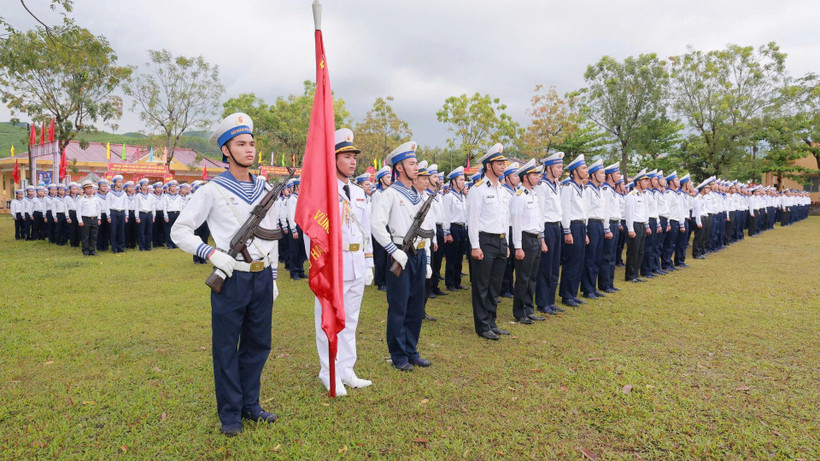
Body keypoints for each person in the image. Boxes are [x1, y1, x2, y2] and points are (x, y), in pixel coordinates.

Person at [171, 112, 280, 436]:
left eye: (251, 143)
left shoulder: (266, 188)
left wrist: (272, 279)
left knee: (259, 344)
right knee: (226, 347)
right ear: (226, 151)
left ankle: (251, 404)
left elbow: (272, 233)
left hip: (260, 277)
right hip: (230, 278)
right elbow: (180, 231)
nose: (249, 149)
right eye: (240, 144)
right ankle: (231, 414)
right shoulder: (211, 190)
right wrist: (211, 252)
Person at [314, 128, 374, 395]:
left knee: (350, 321)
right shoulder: (323, 192)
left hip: (356, 264)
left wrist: (369, 262)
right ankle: (329, 372)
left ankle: (347, 370)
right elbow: (313, 234)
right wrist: (319, 265)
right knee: (328, 322)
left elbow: (366, 229)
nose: (352, 161)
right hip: (333, 267)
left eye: (354, 156)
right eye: (346, 156)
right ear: (333, 158)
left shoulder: (359, 192)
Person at [370, 140, 432, 370]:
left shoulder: (420, 196)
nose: (416, 168)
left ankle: (412, 350)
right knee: (399, 307)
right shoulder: (389, 194)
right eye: (411, 163)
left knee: (416, 305)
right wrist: (393, 251)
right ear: (399, 168)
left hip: (418, 253)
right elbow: (376, 225)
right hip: (399, 253)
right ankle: (398, 355)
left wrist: (426, 259)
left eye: (416, 163)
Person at [467, 143, 511, 340]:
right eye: (498, 163)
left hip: (500, 240)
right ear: (488, 166)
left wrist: (507, 243)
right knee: (482, 285)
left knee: (495, 286)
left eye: (503, 163)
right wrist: (475, 246)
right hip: (484, 241)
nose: (503, 166)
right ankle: (482, 325)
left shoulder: (502, 189)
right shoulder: (478, 189)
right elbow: (473, 220)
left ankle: (492, 321)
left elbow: (505, 219)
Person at [510, 159, 547, 324]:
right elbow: (516, 223)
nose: (538, 177)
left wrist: (542, 238)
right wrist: (518, 246)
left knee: (532, 277)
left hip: (535, 238)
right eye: (534, 174)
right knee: (523, 277)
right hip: (524, 239)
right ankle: (519, 312)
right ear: (525, 177)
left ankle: (529, 309)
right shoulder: (519, 196)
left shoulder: (534, 194)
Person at [534, 152, 564, 315]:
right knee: (545, 267)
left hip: (556, 226)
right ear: (550, 168)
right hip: (546, 227)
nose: (560, 170)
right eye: (558, 167)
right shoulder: (542, 186)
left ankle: (550, 301)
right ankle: (542, 301)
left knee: (554, 266)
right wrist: (542, 238)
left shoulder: (556, 185)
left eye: (561, 167)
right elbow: (540, 213)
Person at [559, 154, 589, 307]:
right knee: (571, 261)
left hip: (581, 226)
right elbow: (565, 210)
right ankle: (566, 294)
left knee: (579, 261)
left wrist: (586, 231)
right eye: (583, 168)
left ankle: (573, 292)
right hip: (572, 226)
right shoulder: (568, 187)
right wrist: (567, 231)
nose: (586, 170)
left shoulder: (581, 187)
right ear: (575, 171)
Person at [581, 159, 609, 299]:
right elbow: (585, 211)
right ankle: (587, 288)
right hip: (591, 224)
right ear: (593, 175)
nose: (604, 175)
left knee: (597, 257)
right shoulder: (588, 190)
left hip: (599, 224)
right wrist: (586, 231)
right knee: (590, 258)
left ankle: (593, 286)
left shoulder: (599, 190)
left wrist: (605, 228)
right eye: (601, 173)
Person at [442, 166, 468, 292]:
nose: (463, 182)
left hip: (462, 228)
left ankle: (457, 281)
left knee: (459, 258)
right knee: (451, 257)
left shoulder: (463, 196)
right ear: (454, 181)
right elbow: (446, 215)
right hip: (453, 228)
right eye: (461, 179)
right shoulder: (449, 196)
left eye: (464, 180)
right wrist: (447, 232)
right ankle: (450, 282)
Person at [598, 162, 622, 293]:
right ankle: (604, 284)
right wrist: (606, 228)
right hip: (608, 224)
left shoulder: (612, 190)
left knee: (612, 256)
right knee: (606, 256)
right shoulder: (606, 190)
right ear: (611, 175)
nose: (619, 176)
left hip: (614, 223)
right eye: (617, 173)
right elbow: (606, 211)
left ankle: (610, 282)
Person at [624, 169, 651, 282]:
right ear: (638, 183)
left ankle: (636, 274)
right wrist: (630, 228)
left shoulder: (642, 195)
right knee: (633, 251)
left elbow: (644, 212)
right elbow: (629, 213)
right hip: (634, 225)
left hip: (641, 224)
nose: (647, 183)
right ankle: (630, 275)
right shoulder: (632, 195)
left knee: (640, 251)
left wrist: (646, 225)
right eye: (645, 181)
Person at [370, 166, 392, 291]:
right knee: (380, 255)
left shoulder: (390, 192)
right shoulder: (377, 194)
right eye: (388, 177)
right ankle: (379, 281)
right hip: (380, 227)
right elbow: (375, 213)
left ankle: (387, 279)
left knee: (388, 254)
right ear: (382, 179)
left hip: (389, 226)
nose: (390, 179)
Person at [77, 180, 101, 256]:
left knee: (93, 236)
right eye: (87, 188)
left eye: (91, 188)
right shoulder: (81, 199)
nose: (90, 190)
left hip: (94, 218)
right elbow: (78, 211)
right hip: (85, 219)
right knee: (85, 236)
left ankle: (92, 250)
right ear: (84, 190)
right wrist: (80, 221)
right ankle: (85, 251)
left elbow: (98, 209)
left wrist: (99, 218)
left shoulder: (96, 198)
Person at [108, 175, 128, 253]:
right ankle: (114, 247)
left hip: (122, 213)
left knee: (121, 231)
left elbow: (126, 205)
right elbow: (107, 205)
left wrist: (126, 215)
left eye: (121, 182)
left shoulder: (123, 194)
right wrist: (108, 216)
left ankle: (121, 247)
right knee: (114, 231)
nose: (120, 183)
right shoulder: (110, 193)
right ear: (115, 183)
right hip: (113, 212)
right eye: (118, 182)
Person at [163, 180, 183, 249]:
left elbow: (181, 207)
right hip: (170, 213)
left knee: (176, 229)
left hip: (177, 213)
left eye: (175, 186)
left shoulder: (179, 196)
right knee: (169, 229)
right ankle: (169, 244)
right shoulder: (166, 197)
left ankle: (175, 243)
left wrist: (181, 215)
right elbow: (164, 207)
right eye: (172, 186)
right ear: (169, 188)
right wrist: (165, 216)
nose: (174, 188)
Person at [135, 181, 155, 251]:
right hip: (142, 214)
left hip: (149, 214)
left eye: (147, 185)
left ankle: (148, 246)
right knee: (141, 231)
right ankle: (142, 246)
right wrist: (137, 217)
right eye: (144, 185)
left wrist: (153, 216)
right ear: (141, 186)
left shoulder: (150, 196)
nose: (145, 187)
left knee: (149, 231)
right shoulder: (138, 196)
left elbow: (153, 206)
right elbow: (136, 207)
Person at [96, 179, 111, 252]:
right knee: (99, 231)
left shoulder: (109, 195)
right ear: (99, 187)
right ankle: (99, 246)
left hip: (107, 214)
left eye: (106, 186)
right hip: (100, 214)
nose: (105, 188)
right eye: (103, 186)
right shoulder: (96, 196)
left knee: (107, 231)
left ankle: (106, 246)